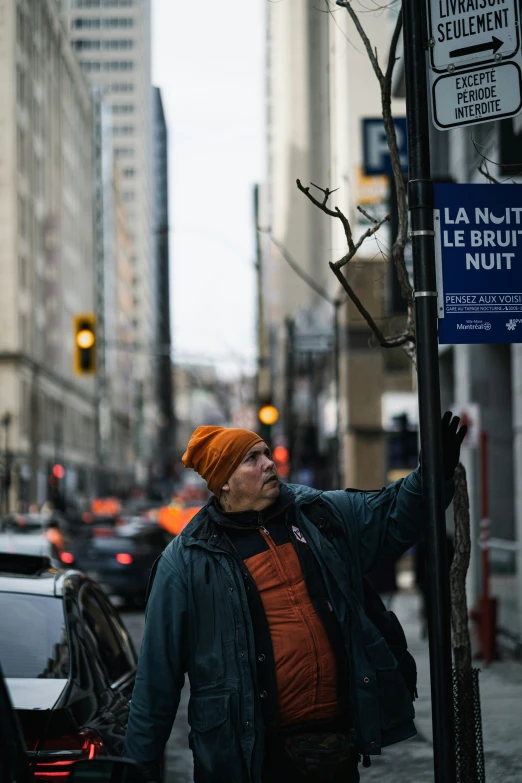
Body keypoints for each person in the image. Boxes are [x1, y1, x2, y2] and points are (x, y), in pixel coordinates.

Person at [123, 415, 466, 783]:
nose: (269, 463)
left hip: (332, 747)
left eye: (266, 453)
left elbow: (391, 514)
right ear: (224, 481)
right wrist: (137, 770)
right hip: (250, 758)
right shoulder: (185, 562)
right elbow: (156, 682)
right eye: (251, 459)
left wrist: (431, 472)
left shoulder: (317, 514)